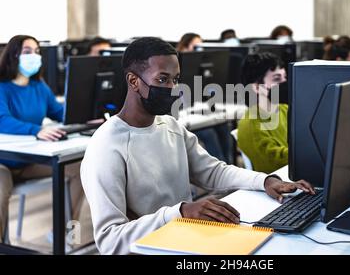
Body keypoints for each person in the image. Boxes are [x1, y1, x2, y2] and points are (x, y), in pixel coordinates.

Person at [80, 37, 315, 254]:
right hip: (156, 247)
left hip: (186, 238)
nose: (173, 88)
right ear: (133, 81)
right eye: (162, 79)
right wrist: (180, 213)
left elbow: (212, 171)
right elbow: (109, 240)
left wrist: (265, 181)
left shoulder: (170, 125)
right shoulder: (106, 146)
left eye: (176, 80)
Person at [0, 35, 85, 241]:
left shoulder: (39, 86)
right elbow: (2, 120)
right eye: (28, 51)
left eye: (37, 51)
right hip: (3, 162)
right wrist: (35, 130)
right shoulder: (2, 86)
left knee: (81, 168)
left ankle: (65, 235)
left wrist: (87, 112)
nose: (34, 56)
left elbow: (59, 113)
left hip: (30, 161)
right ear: (13, 55)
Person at [176, 33, 231, 163]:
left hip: (196, 111)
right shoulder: (174, 65)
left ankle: (229, 165)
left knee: (223, 126)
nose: (199, 51)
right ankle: (220, 171)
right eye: (196, 47)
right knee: (208, 132)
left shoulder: (199, 66)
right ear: (184, 47)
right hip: (181, 114)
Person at [237, 53, 288, 173]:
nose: (284, 83)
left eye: (284, 77)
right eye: (276, 79)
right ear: (256, 87)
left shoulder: (285, 109)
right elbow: (273, 164)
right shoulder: (251, 124)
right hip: (279, 182)